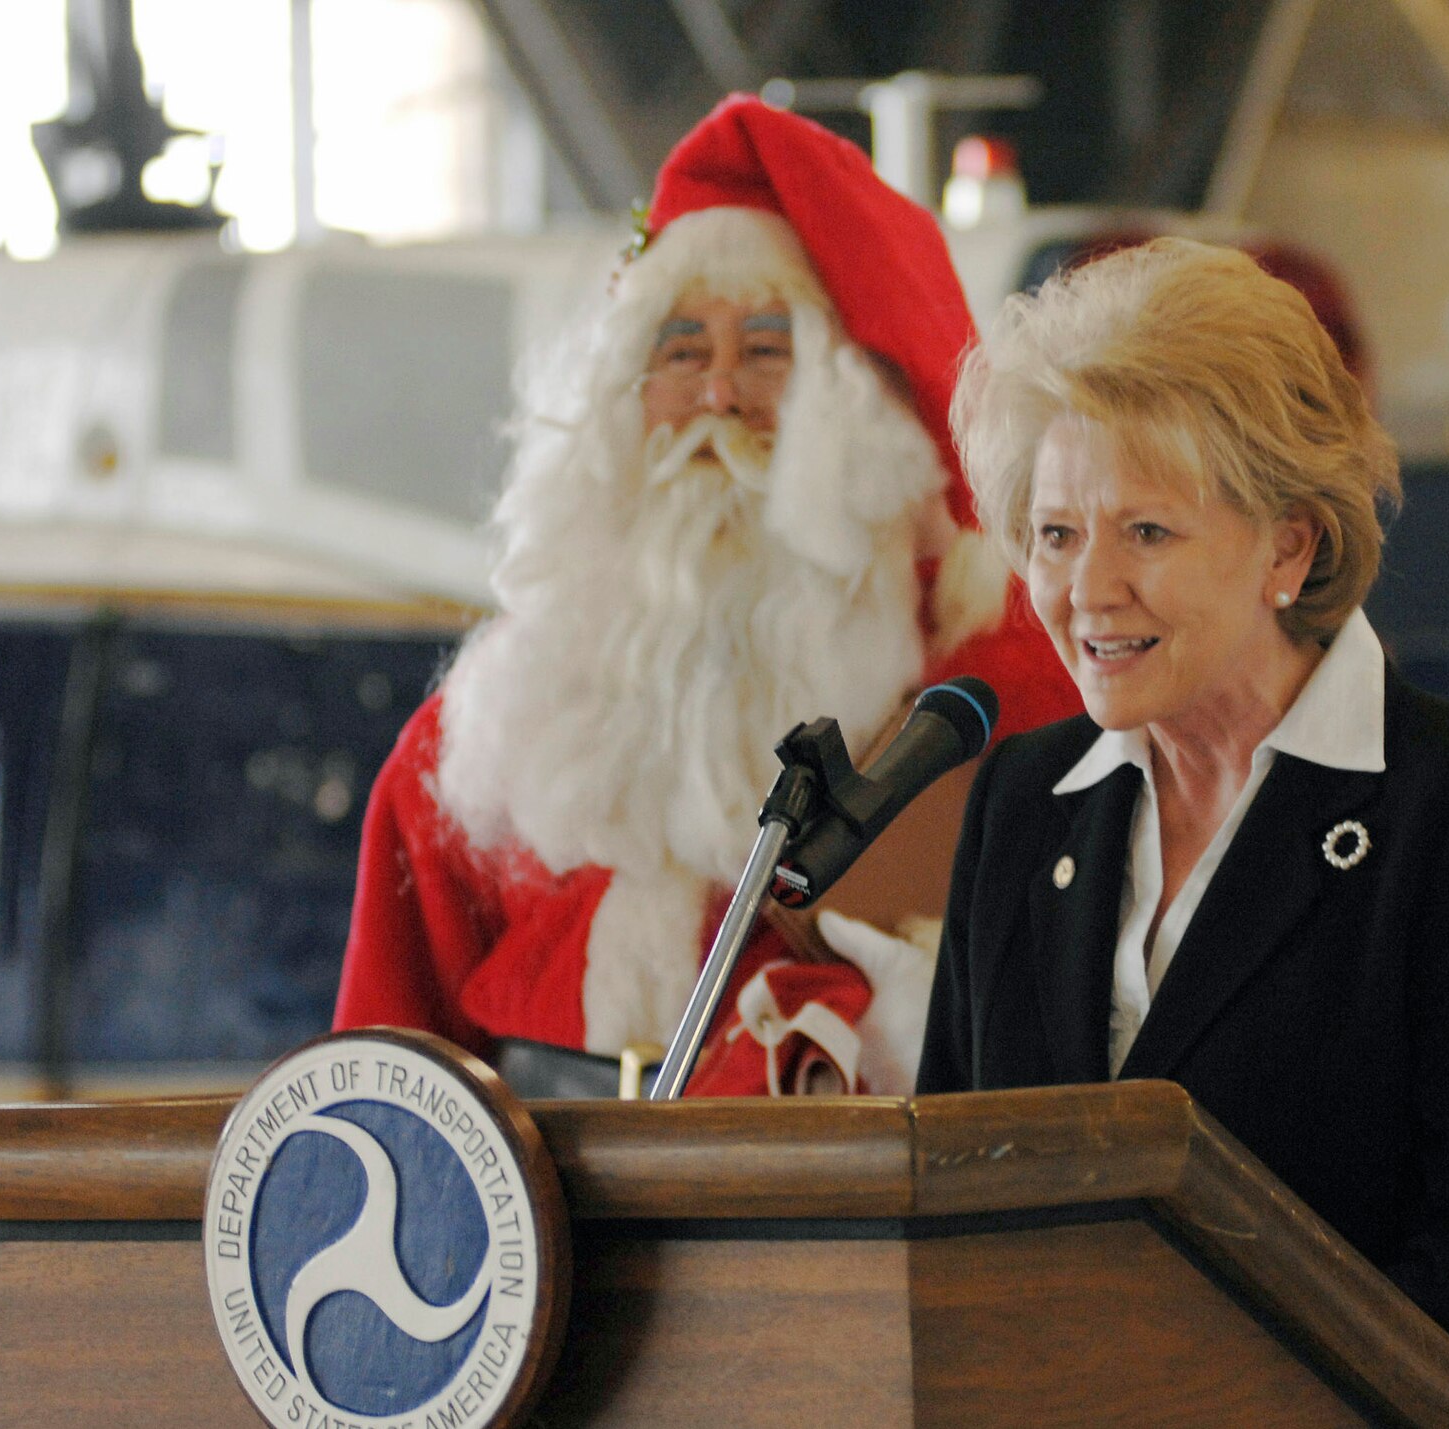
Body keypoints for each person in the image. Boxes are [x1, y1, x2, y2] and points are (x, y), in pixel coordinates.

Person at [917, 238, 1449, 1385]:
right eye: (1054, 533)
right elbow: (942, 1187)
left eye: (1146, 530)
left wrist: (1224, 1401)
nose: (1086, 589)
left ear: (1288, 542)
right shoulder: (1023, 800)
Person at [331, 96, 1080, 1096]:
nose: (718, 396)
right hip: (533, 1224)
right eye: (680, 353)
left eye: (764, 353)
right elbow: (378, 1075)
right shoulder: (492, 730)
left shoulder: (997, 691)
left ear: (861, 415)